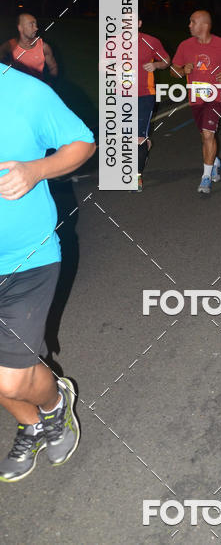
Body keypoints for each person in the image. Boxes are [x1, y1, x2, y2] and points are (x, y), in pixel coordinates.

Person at [0, 68, 95, 482]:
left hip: (26, 260)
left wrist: (36, 170)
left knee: (9, 378)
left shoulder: (23, 91)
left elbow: (83, 143)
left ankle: (55, 404)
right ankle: (32, 424)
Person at [171, 10, 221, 195]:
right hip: (196, 96)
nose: (189, 25)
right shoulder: (185, 46)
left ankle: (206, 176)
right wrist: (182, 71)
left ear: (205, 25)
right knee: (204, 135)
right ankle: (214, 161)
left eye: (193, 22)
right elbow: (173, 71)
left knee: (208, 134)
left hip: (216, 95)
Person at [137, 18, 170, 191]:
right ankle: (144, 147)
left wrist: (156, 64)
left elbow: (166, 61)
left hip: (145, 94)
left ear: (139, 23)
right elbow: (102, 65)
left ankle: (136, 176)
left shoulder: (151, 41)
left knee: (138, 138)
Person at [0, 13, 58, 82]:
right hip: (16, 84)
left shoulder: (44, 47)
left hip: (36, 85)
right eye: (31, 24)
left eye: (35, 24)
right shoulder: (9, 45)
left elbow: (53, 67)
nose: (36, 28)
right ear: (20, 28)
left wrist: (49, 84)